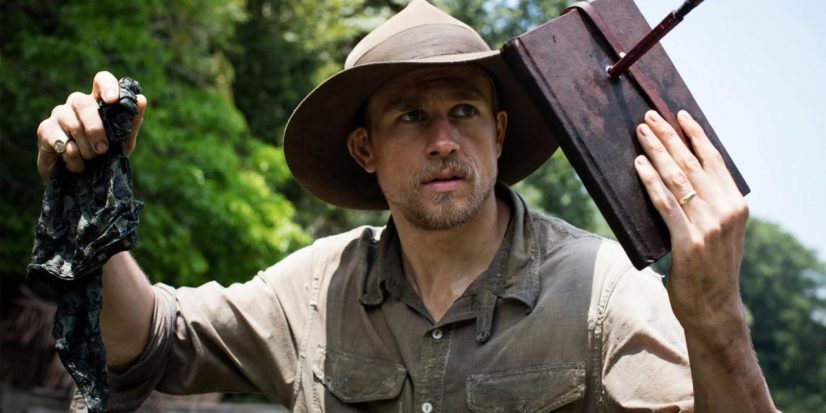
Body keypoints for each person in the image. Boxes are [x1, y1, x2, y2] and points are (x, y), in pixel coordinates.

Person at [35, 1, 776, 411]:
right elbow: (151, 341)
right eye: (411, 117)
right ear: (365, 149)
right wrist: (91, 195)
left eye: (465, 111)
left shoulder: (602, 289)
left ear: (499, 131)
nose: (444, 140)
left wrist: (715, 317)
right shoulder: (317, 289)